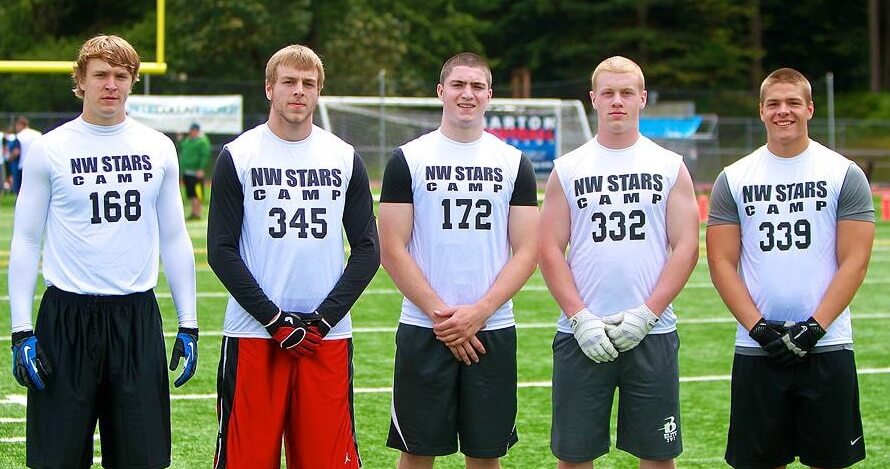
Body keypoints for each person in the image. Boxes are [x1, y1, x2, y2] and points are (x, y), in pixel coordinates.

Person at [7, 35, 198, 469]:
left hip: (135, 319)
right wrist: (21, 329)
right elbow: (26, 240)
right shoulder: (49, 149)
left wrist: (189, 324)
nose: (110, 84)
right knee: (54, 459)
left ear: (131, 82)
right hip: (65, 318)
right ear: (80, 80)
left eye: (120, 75)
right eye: (100, 75)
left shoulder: (158, 147)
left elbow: (174, 236)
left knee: (144, 458)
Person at [207, 44, 379, 468]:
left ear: (319, 92)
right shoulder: (239, 155)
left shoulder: (342, 157)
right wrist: (273, 319)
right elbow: (221, 251)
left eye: (308, 83)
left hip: (326, 338)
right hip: (253, 333)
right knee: (245, 461)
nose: (298, 91)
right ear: (270, 88)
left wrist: (322, 320)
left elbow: (368, 250)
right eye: (289, 82)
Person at [379, 52, 539, 469]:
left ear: (489, 95)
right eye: (457, 85)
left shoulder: (513, 162)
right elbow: (391, 247)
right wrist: (444, 318)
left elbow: (527, 250)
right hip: (423, 327)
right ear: (441, 91)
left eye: (476, 86)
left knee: (485, 455)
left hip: (492, 328)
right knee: (416, 452)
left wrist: (479, 312)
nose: (467, 94)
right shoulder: (408, 158)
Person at [538, 56, 699, 469]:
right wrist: (579, 318)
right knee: (574, 458)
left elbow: (685, 246)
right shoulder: (568, 168)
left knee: (658, 456)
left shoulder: (668, 165)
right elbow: (549, 248)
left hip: (653, 331)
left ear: (642, 98)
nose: (617, 101)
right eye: (608, 93)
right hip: (581, 332)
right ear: (593, 99)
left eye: (627, 93)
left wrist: (648, 313)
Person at [707, 68, 873, 469]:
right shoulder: (733, 178)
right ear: (761, 111)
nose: (784, 112)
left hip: (828, 343)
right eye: (774, 104)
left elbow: (855, 260)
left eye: (793, 102)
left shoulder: (843, 173)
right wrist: (759, 328)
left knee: (829, 462)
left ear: (810, 109)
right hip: (757, 347)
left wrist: (815, 326)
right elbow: (720, 261)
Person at [179, 122, 211, 219]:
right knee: (191, 194)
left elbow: (204, 156)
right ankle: (193, 212)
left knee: (197, 194)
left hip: (196, 173)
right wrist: (179, 140)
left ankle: (198, 213)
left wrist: (201, 168)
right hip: (187, 172)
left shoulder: (202, 141)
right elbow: (182, 148)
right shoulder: (187, 141)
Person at [11, 116, 43, 195]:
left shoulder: (20, 136)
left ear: (21, 125)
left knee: (22, 192)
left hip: (23, 166)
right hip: (38, 165)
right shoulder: (38, 134)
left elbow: (16, 152)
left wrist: (10, 158)